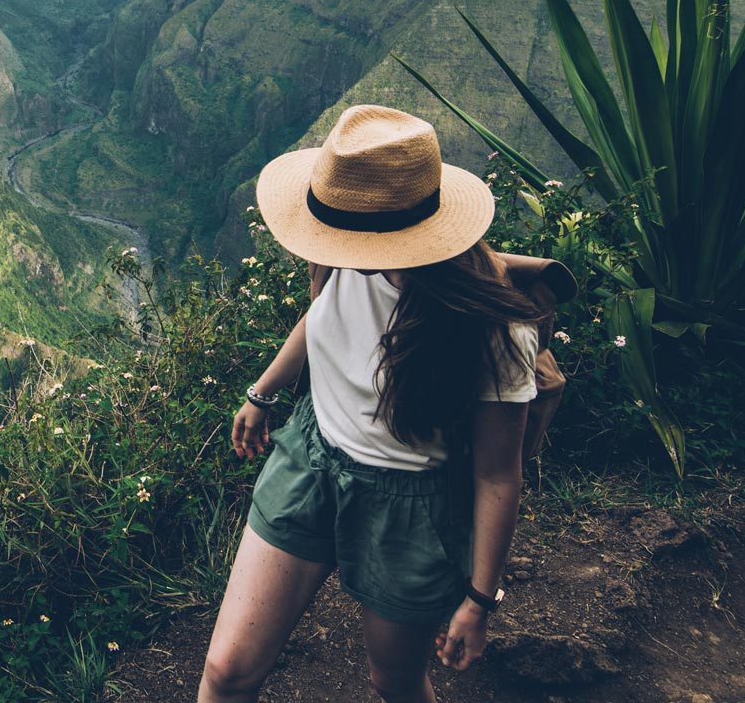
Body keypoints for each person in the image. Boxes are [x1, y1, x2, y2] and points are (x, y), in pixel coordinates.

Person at [200, 104, 567, 703]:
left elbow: (499, 475)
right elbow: (323, 312)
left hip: (411, 506)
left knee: (394, 683)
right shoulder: (345, 247)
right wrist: (264, 393)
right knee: (226, 672)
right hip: (309, 463)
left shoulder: (495, 329)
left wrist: (478, 601)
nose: (332, 248)